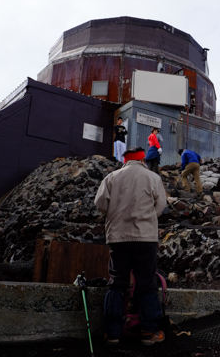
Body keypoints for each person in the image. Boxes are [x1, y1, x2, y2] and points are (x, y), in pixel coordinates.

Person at [94, 146, 168, 346]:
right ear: (143, 159)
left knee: (117, 283)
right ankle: (149, 332)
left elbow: (100, 204)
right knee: (147, 283)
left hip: (118, 238)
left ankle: (113, 334)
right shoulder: (153, 178)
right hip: (145, 238)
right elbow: (160, 206)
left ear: (125, 160)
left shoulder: (111, 178)